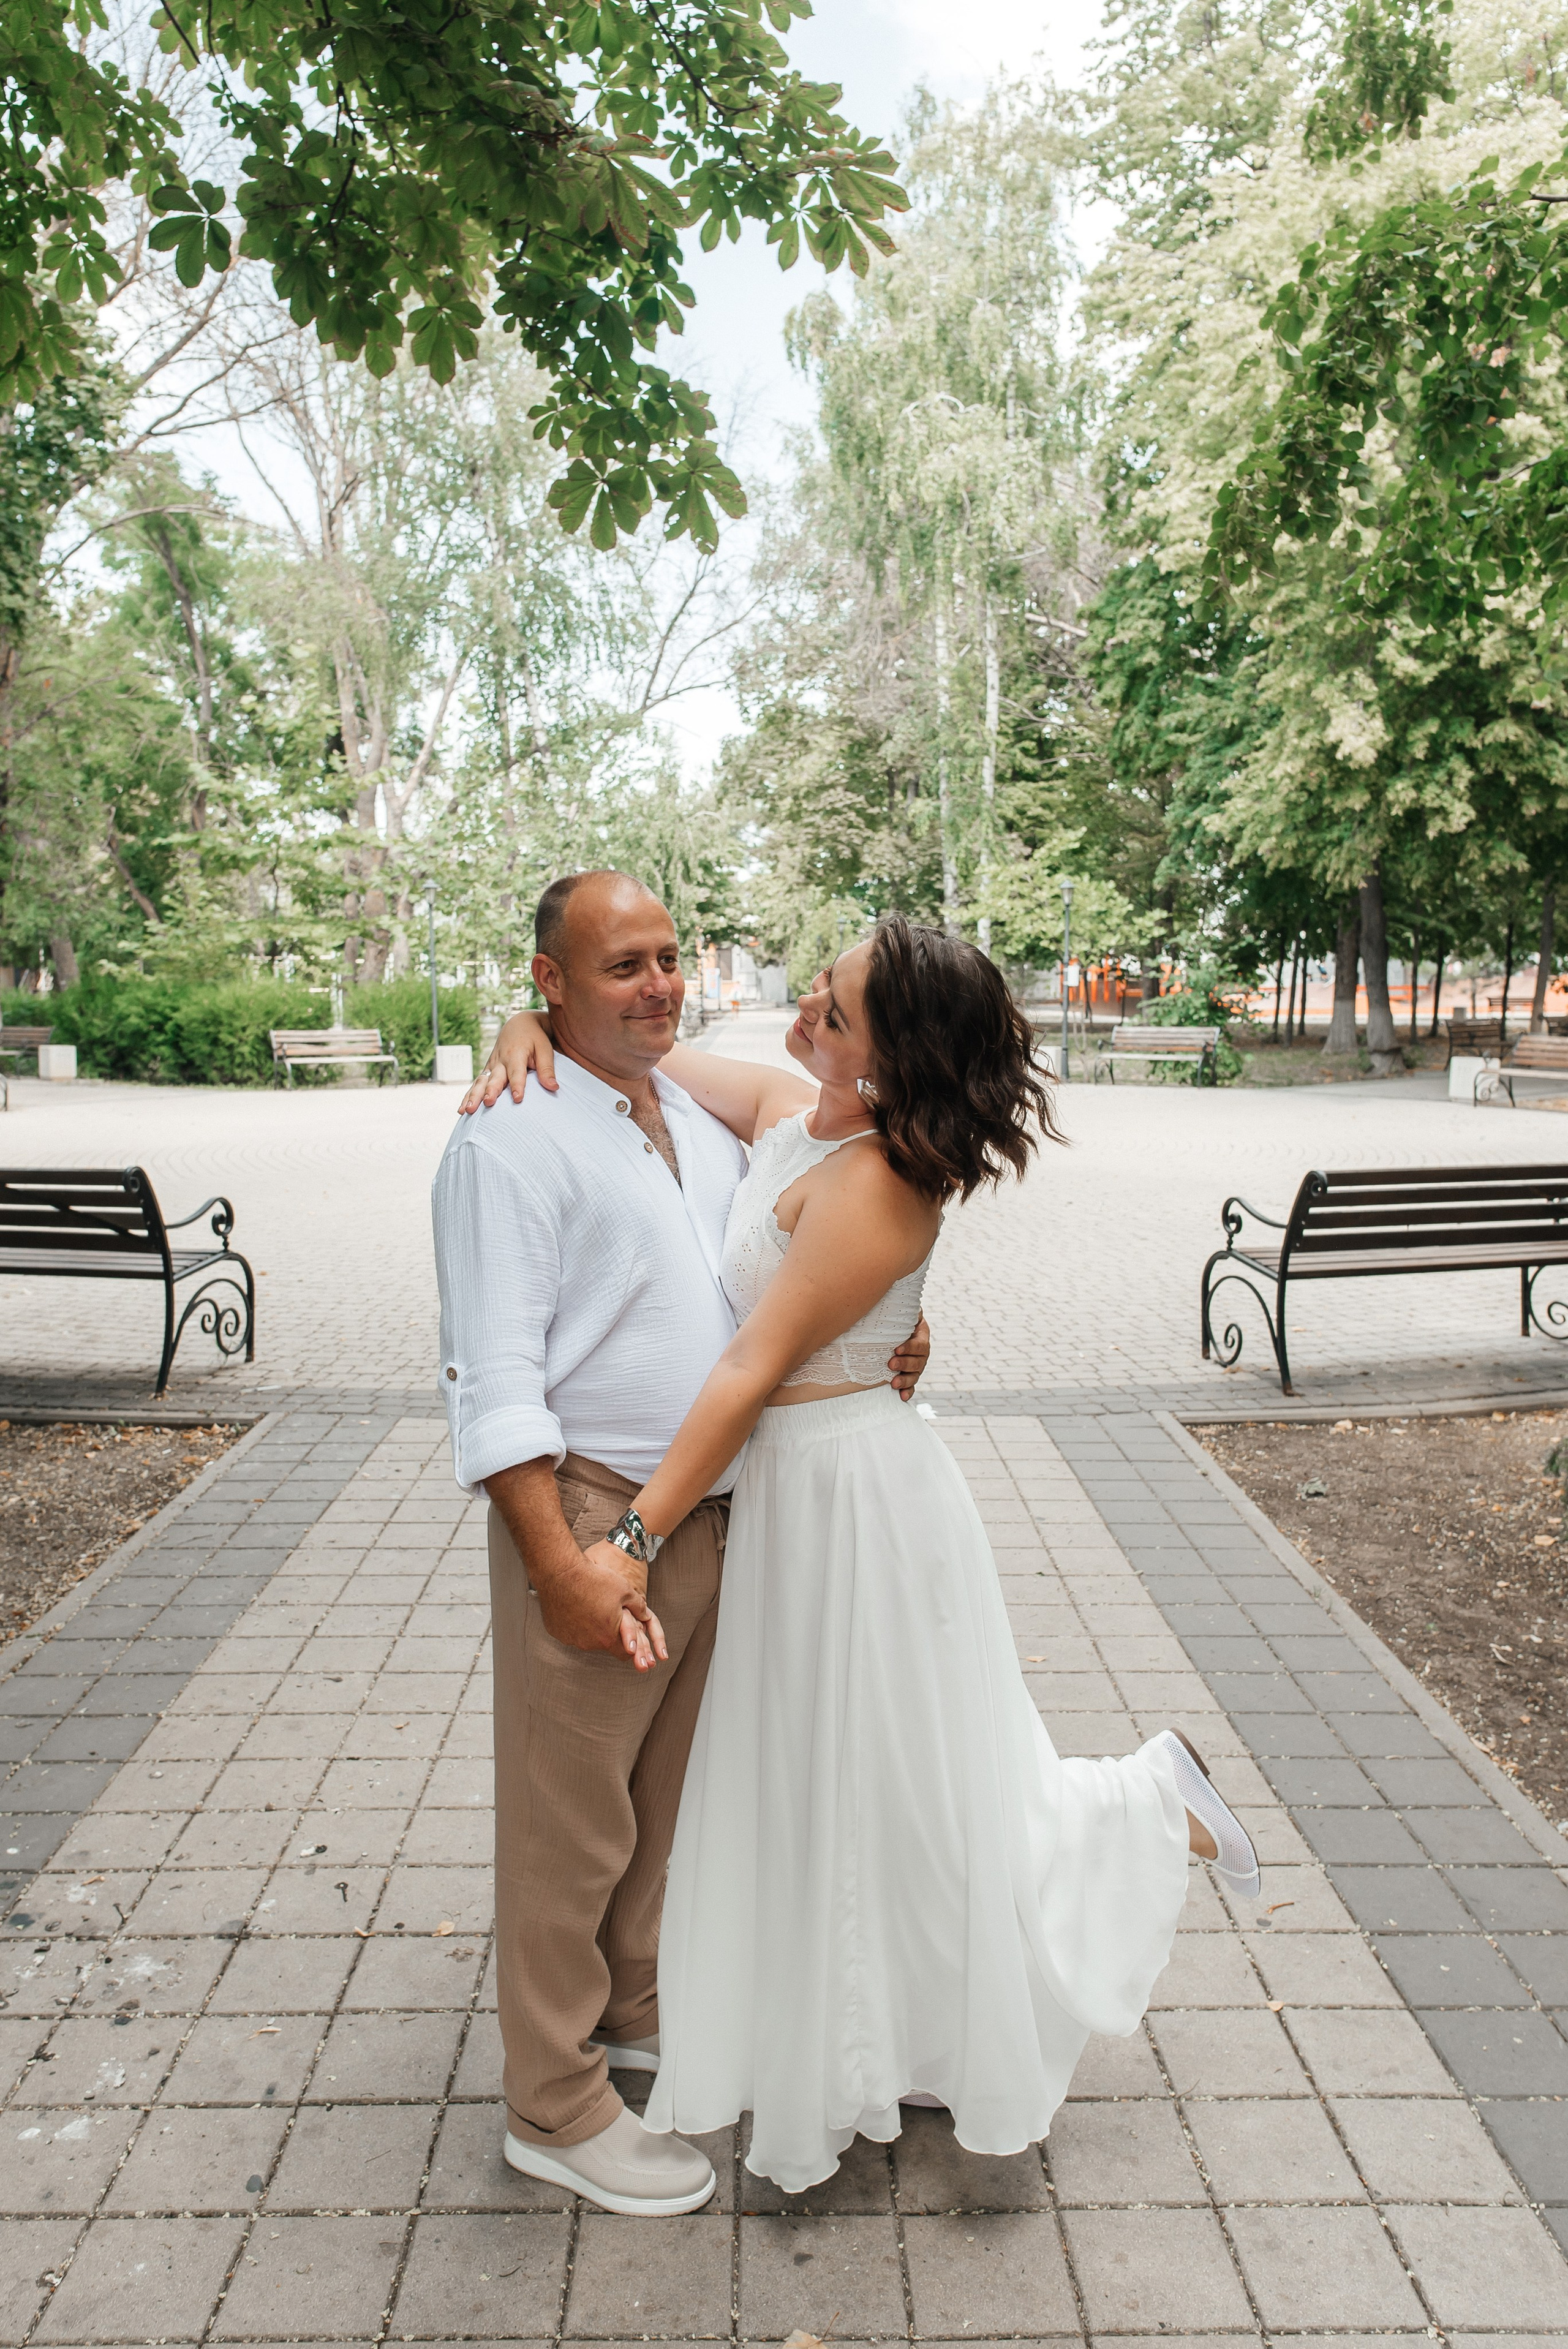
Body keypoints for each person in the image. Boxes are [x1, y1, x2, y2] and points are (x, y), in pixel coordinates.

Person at [473, 913, 1261, 2195]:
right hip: (798, 1492)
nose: (800, 1020)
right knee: (859, 1783)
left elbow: (747, 1366)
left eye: (831, 1011)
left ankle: (1146, 1810)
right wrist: (528, 1024)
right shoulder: (801, 1108)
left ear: (889, 1056)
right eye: (815, 992)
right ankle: (894, 2022)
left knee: (917, 1777)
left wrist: (626, 1537)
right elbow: (644, 1064)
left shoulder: (883, 1177)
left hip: (856, 1503)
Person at [431, 871, 930, 2219]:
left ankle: (630, 2013)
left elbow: (784, 1252)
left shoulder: (690, 1118)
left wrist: (885, 1325)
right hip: (598, 1512)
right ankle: (552, 2101)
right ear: (548, 984)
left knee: (659, 1807)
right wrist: (563, 1564)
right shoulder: (509, 1139)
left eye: (666, 958)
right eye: (618, 967)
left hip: (713, 1512)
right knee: (567, 1820)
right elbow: (494, 1384)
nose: (656, 985)